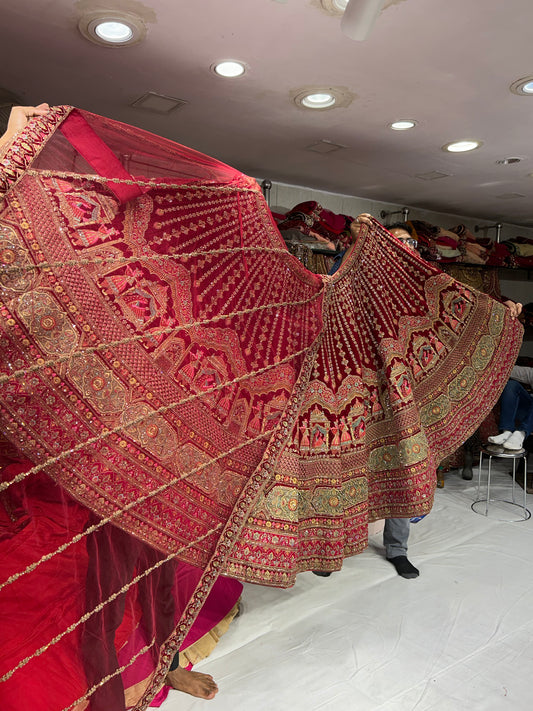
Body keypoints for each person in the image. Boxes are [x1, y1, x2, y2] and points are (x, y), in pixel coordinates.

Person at [488, 364, 533, 451]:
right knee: (511, 385)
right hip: (528, 412)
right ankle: (506, 432)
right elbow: (506, 368)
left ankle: (520, 434)